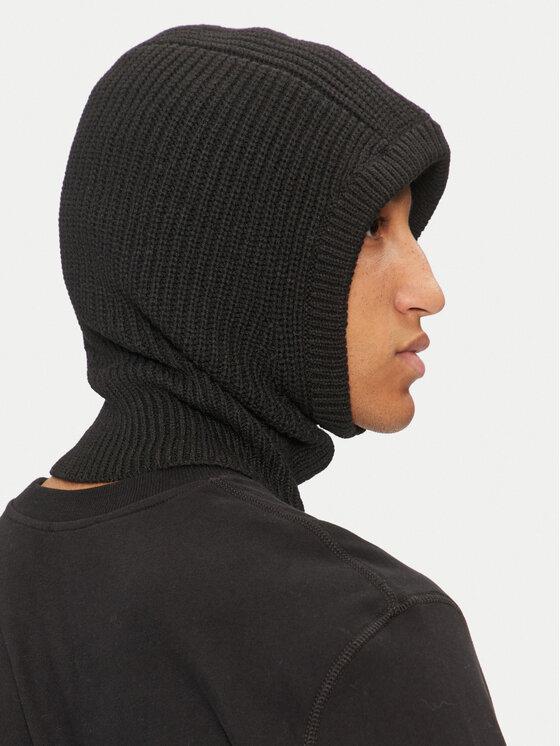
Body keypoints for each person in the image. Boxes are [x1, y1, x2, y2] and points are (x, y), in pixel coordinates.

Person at [0, 24, 507, 744]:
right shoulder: (364, 638)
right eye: (371, 227)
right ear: (235, 265)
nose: (428, 290)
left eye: (410, 227)